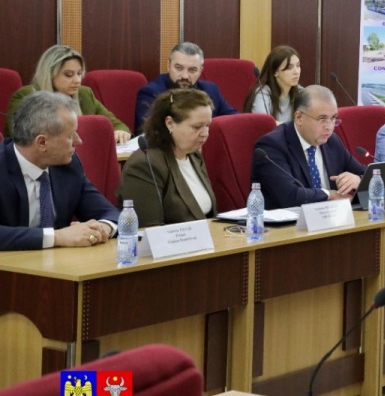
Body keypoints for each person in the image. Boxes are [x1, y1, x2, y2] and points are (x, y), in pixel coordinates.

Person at [0, 91, 121, 251]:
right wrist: (57, 237)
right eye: (70, 136)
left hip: (58, 263)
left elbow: (110, 213)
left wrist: (102, 228)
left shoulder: (68, 166)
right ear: (42, 142)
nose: (79, 141)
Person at [251, 85, 363, 209]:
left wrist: (358, 180)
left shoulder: (331, 142)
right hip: (288, 220)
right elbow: (289, 196)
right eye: (322, 119)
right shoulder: (272, 146)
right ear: (299, 117)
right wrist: (329, 194)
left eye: (333, 118)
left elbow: (370, 174)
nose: (329, 127)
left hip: (330, 217)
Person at [117, 89, 216, 226]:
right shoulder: (145, 165)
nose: (205, 133)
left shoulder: (195, 156)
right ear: (170, 123)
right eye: (197, 127)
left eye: (207, 126)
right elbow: (148, 228)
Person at [5, 45, 131, 144]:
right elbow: (22, 137)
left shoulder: (85, 94)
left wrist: (120, 132)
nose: (77, 80)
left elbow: (118, 125)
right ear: (50, 74)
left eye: (79, 73)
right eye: (69, 75)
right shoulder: (26, 96)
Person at [134, 42, 238, 134]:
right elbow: (149, 132)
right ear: (169, 66)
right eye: (179, 68)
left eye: (192, 70)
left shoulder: (210, 89)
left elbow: (233, 120)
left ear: (200, 70)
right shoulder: (151, 92)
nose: (185, 76)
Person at [243, 45, 302, 122]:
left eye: (298, 66)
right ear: (275, 72)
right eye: (289, 68)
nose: (296, 72)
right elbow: (264, 123)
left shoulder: (300, 91)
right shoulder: (262, 93)